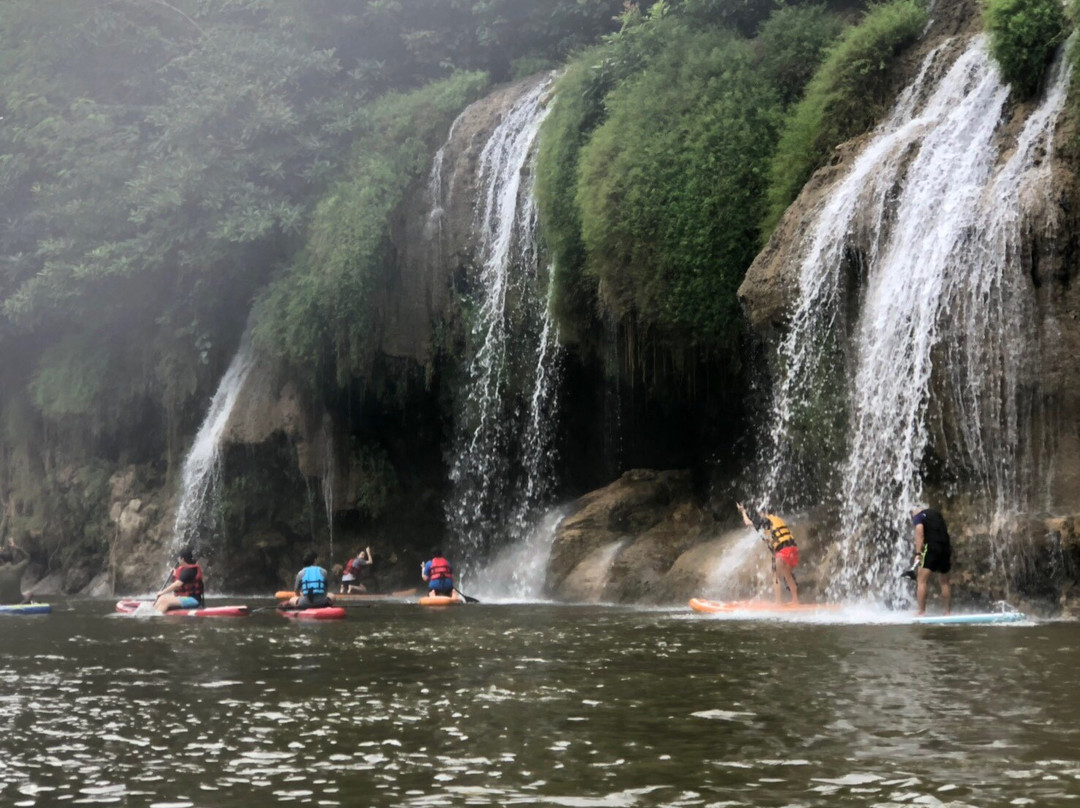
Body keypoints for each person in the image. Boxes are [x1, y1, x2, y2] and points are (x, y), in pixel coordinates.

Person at [737, 502, 799, 604]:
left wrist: (743, 512)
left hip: (783, 550)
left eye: (760, 512)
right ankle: (795, 600)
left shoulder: (764, 520)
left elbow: (748, 522)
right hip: (793, 549)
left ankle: (778, 602)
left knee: (775, 576)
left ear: (763, 512)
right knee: (788, 575)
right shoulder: (778, 520)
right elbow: (771, 537)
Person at [910, 506, 951, 616]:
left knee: (921, 580)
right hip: (946, 547)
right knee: (944, 581)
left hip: (932, 548)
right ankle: (947, 612)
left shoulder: (918, 516)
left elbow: (920, 532)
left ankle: (921, 611)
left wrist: (918, 553)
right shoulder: (936, 513)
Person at [153, 547, 204, 613]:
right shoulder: (184, 569)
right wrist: (175, 574)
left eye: (179, 558)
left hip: (193, 600)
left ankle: (156, 616)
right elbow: (182, 579)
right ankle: (153, 612)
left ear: (182, 559)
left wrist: (162, 592)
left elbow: (177, 584)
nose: (178, 559)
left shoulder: (190, 570)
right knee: (161, 598)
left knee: (164, 601)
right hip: (185, 597)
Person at [0, 538, 31, 605]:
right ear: (12, 559)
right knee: (29, 593)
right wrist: (16, 547)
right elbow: (28, 557)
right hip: (17, 601)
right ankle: (22, 603)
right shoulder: (17, 568)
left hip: (2, 602)